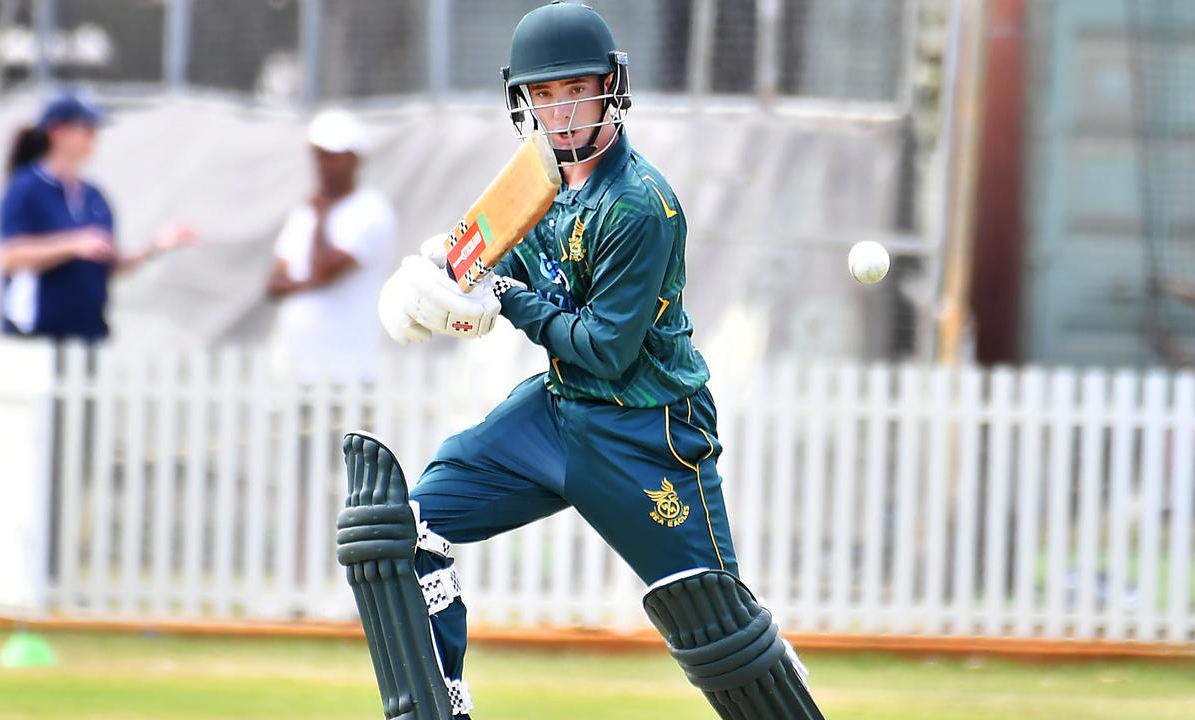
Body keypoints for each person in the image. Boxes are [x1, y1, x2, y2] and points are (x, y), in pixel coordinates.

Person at [337, 4, 825, 719]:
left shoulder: (637, 205)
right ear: (523, 101)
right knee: (403, 532)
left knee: (722, 635)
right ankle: (443, 707)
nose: (560, 113)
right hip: (560, 414)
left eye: (576, 91)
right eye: (543, 95)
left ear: (611, 88)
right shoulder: (538, 181)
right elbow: (480, 247)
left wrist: (504, 297)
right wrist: (438, 265)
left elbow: (605, 348)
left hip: (650, 434)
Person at [0, 94, 197, 340]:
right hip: (37, 336)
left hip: (89, 335)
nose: (94, 138)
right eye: (87, 129)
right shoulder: (27, 187)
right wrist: (72, 245)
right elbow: (8, 257)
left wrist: (152, 248)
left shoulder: (94, 195)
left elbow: (105, 266)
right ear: (57, 131)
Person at [267, 108, 396, 383]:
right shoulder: (305, 212)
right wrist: (310, 281)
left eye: (330, 156)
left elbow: (323, 271)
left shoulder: (371, 210)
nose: (322, 165)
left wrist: (322, 220)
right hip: (295, 370)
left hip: (347, 373)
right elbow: (275, 284)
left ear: (354, 160)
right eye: (318, 156)